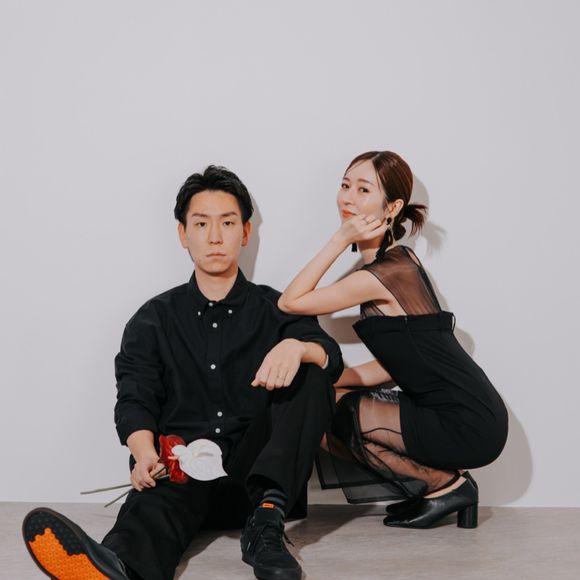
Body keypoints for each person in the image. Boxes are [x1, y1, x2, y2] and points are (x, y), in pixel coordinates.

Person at [22, 165, 343, 580]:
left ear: (245, 232)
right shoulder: (152, 319)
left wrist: (298, 347)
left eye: (227, 223)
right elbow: (135, 398)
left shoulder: (276, 309)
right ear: (182, 234)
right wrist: (144, 455)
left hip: (259, 484)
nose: (215, 237)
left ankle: (265, 528)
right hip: (182, 473)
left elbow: (331, 359)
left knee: (313, 371)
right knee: (149, 509)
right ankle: (116, 569)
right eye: (201, 224)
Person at [278, 150, 508, 529]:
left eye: (363, 189)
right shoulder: (395, 261)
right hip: (454, 409)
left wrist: (339, 239)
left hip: (467, 420)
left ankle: (445, 486)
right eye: (345, 185)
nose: (348, 198)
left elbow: (290, 301)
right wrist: (328, 379)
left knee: (323, 413)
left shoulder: (385, 273)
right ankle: (440, 487)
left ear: (393, 207)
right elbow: (390, 368)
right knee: (319, 402)